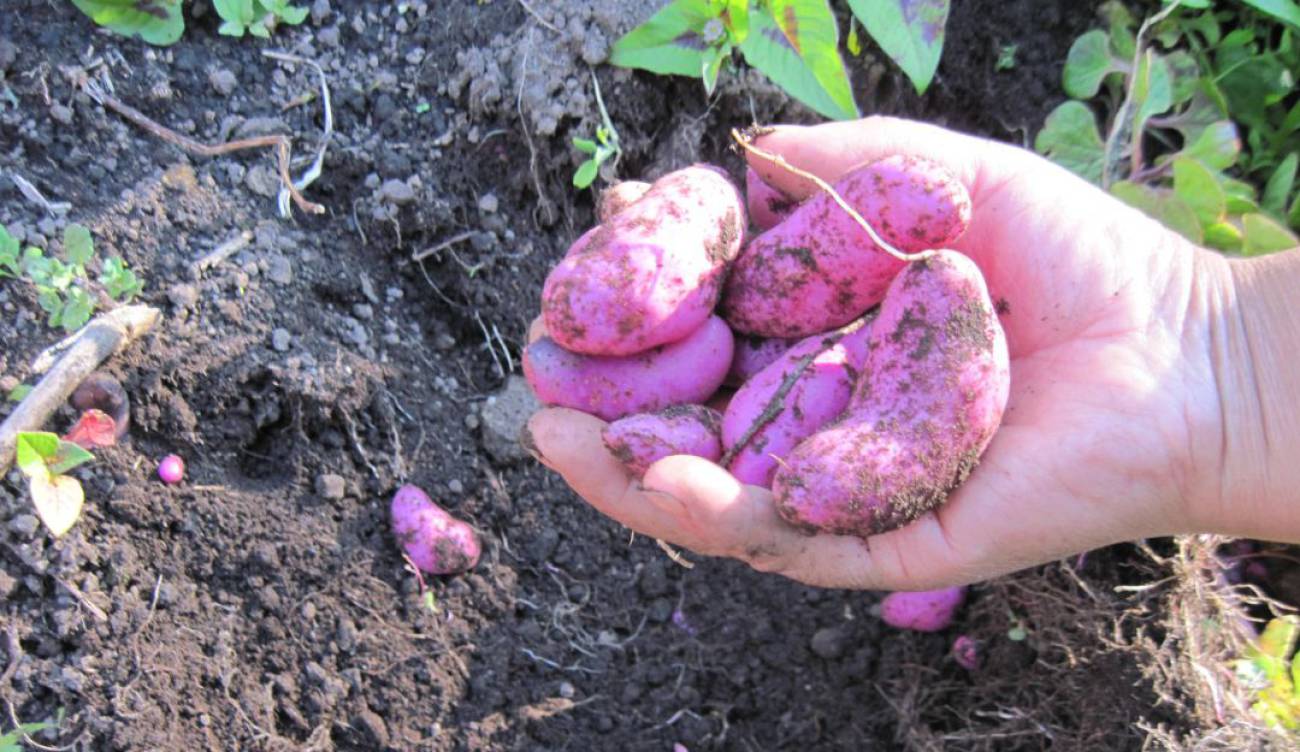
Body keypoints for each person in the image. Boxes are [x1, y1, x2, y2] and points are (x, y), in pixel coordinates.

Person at [522, 116, 1300, 591]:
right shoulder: (745, 268)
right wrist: (1225, 360)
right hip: (781, 331)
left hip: (854, 370)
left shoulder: (935, 288)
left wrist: (1228, 370)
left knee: (805, 467)